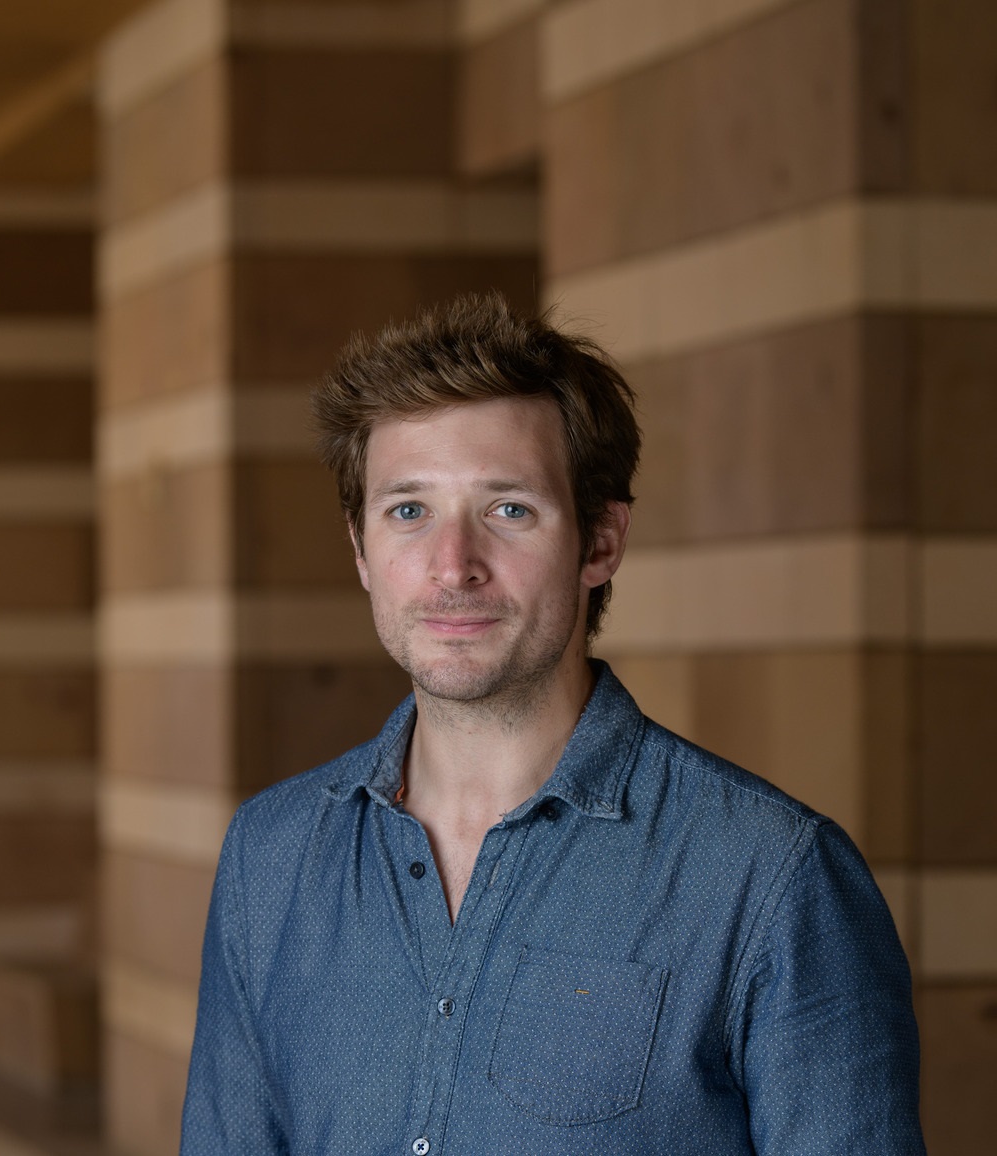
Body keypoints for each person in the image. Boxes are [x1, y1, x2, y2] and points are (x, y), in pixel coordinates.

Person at [180, 294, 925, 1154]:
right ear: (360, 550)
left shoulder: (772, 877)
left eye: (509, 510)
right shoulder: (268, 857)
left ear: (600, 543)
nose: (452, 567)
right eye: (409, 511)